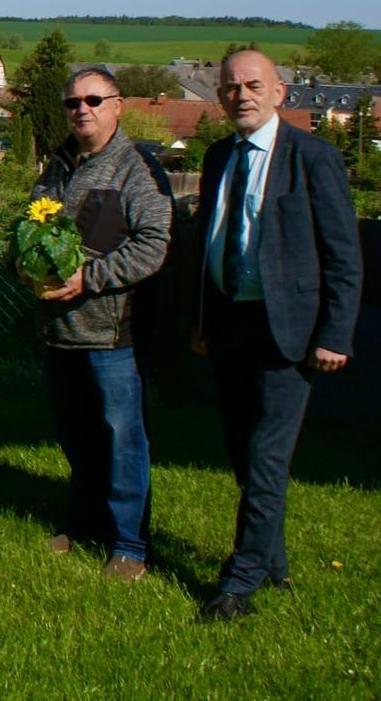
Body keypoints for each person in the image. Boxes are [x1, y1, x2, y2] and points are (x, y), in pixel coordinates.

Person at [192, 49, 362, 621]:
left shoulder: (312, 158)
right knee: (244, 455)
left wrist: (335, 334)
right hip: (229, 321)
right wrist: (201, 323)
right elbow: (208, 244)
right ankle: (275, 562)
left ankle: (240, 582)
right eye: (231, 87)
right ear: (219, 96)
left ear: (280, 93)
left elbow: (342, 255)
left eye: (253, 85)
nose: (241, 95)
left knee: (267, 455)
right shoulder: (218, 157)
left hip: (288, 329)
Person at [31, 68, 173, 582]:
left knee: (122, 439)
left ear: (118, 106)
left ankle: (130, 544)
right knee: (76, 436)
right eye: (72, 102)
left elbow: (153, 245)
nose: (81, 110)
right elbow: (31, 225)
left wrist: (89, 277)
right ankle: (86, 524)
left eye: (93, 100)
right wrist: (27, 268)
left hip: (112, 333)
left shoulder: (137, 169)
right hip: (59, 329)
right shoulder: (58, 165)